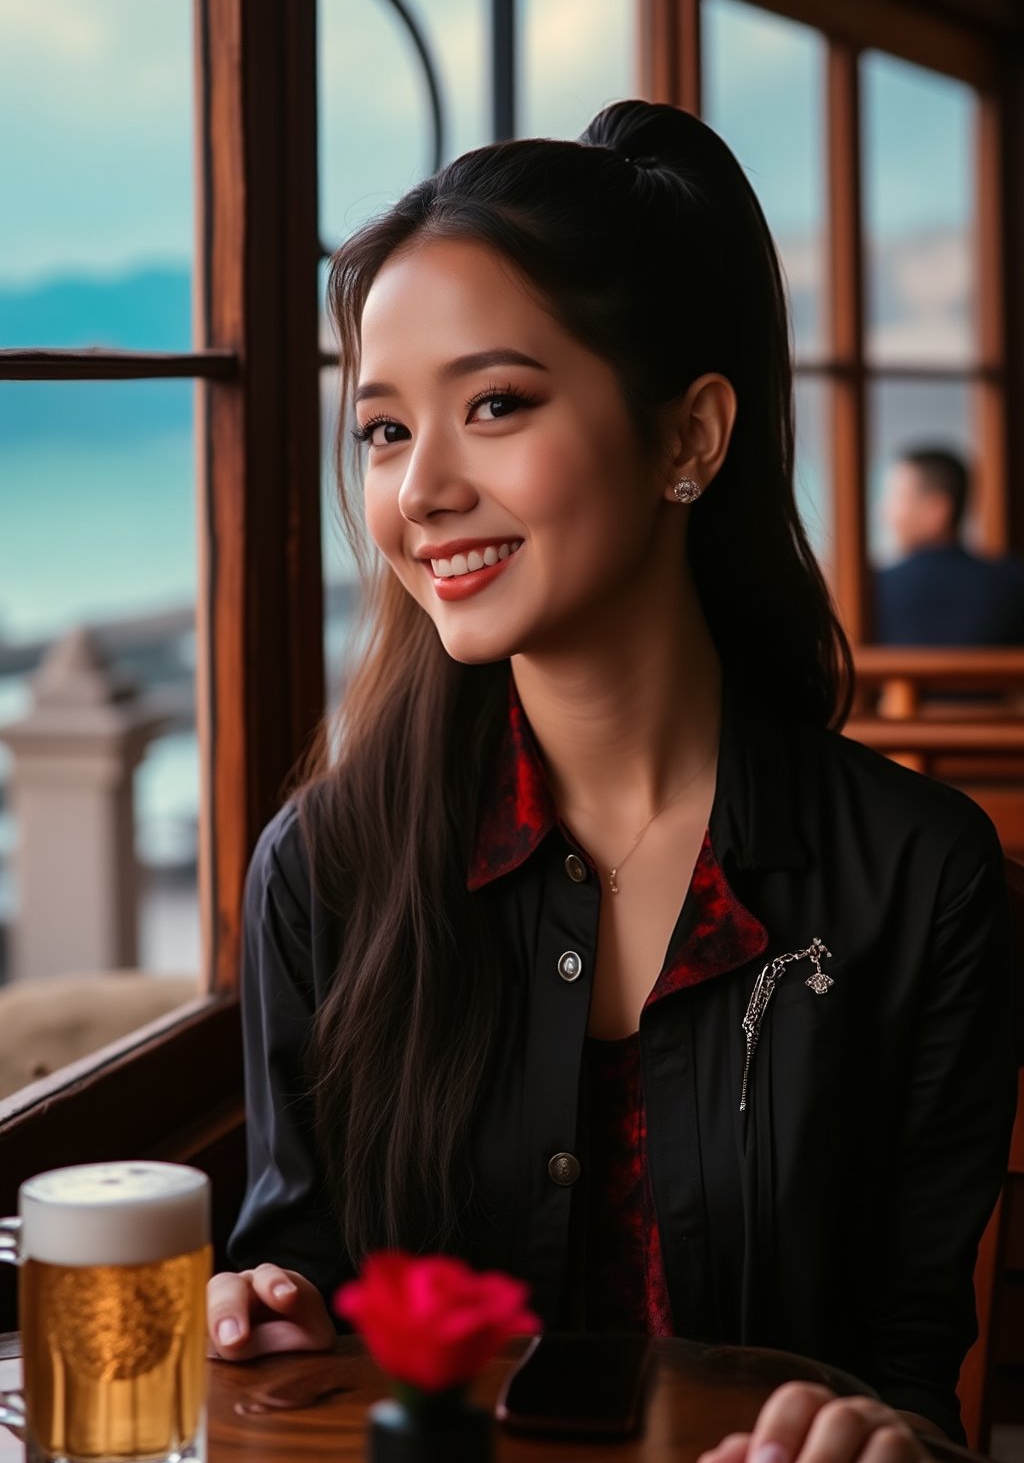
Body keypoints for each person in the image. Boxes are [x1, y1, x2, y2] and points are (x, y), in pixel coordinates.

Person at [206, 100, 1017, 1460]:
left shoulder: (924, 880)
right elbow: (299, 1291)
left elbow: (910, 1372)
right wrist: (266, 1315)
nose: (418, 493)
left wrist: (878, 1441)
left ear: (691, 438)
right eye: (386, 432)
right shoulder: (326, 868)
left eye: (496, 405)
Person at [875, 445, 1024, 646]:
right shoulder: (1012, 583)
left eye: (897, 498)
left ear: (937, 509)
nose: (883, 512)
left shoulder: (874, 590)